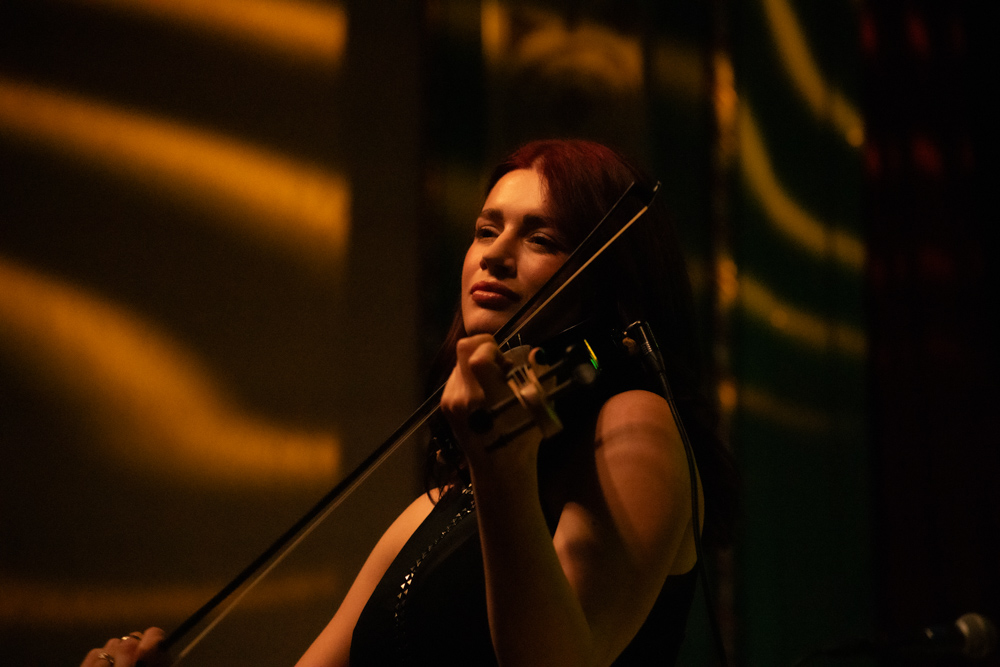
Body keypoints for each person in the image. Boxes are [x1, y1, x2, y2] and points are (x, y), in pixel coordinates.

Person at [80, 139, 736, 667]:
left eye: (541, 238)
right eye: (486, 229)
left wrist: (503, 465)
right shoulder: (438, 503)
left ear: (607, 276)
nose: (497, 255)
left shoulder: (633, 425)